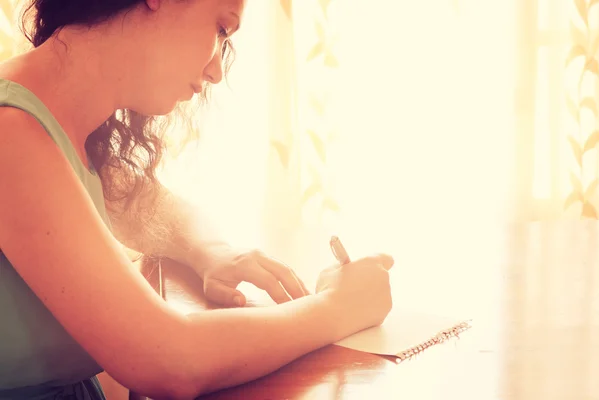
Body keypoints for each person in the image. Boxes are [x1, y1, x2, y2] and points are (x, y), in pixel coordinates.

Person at [0, 0, 395, 398]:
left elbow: (148, 205)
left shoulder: (64, 125)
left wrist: (213, 252)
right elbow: (169, 360)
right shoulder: (10, 134)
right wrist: (340, 307)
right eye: (222, 29)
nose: (217, 71)